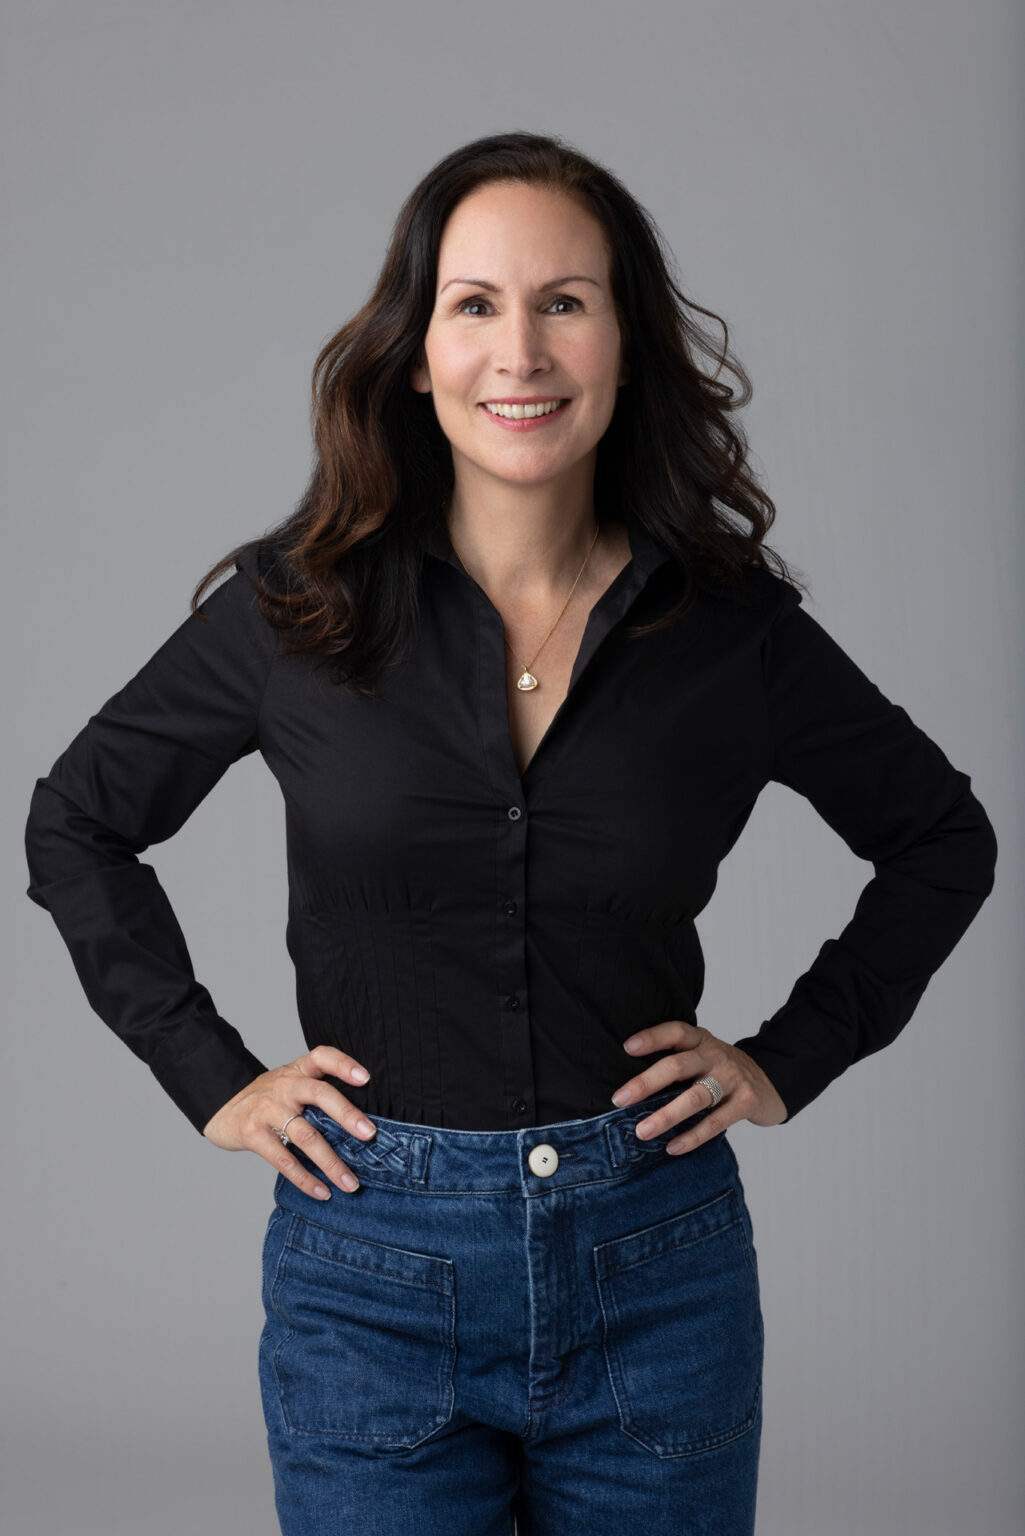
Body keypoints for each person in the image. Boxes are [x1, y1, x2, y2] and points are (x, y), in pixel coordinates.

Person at [23, 131, 998, 1536]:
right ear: (414, 355)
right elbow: (78, 824)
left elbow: (938, 839)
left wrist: (791, 1058)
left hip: (654, 1265)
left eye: (566, 302)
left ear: (625, 342)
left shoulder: (731, 635)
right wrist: (210, 1074)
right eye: (474, 304)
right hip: (368, 1270)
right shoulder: (294, 612)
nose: (519, 352)